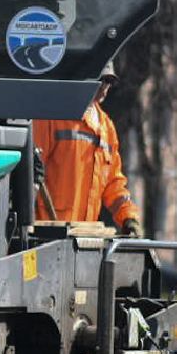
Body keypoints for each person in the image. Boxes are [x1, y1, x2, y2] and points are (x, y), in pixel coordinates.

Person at [32, 61, 141, 235]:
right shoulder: (53, 116)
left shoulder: (106, 128)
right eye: (102, 80)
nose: (106, 86)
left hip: (83, 236)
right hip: (46, 234)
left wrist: (129, 218)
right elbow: (32, 173)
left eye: (110, 82)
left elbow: (114, 184)